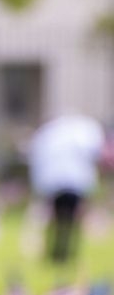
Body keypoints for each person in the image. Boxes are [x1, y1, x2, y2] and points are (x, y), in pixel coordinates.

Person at [26, 113, 111, 264]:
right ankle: (67, 252)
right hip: (74, 182)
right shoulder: (88, 132)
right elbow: (97, 156)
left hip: (54, 181)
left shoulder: (51, 133)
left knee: (58, 218)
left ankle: (56, 252)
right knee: (71, 218)